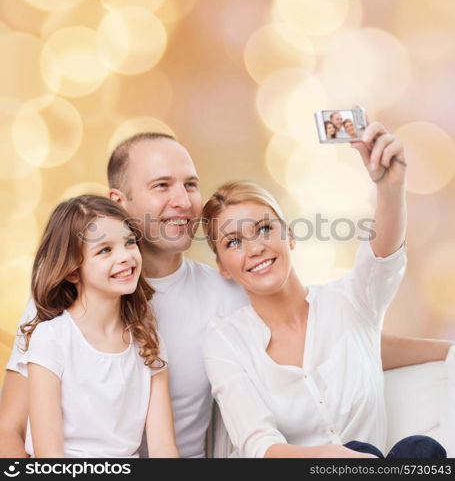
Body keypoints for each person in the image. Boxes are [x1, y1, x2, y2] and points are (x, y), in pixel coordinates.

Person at [1, 132, 453, 458]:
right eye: (162, 186)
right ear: (118, 202)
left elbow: (335, 339)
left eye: (191, 184)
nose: (182, 199)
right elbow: (8, 432)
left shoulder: (229, 293)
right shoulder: (64, 305)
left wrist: (445, 352)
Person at [201, 122, 449, 458]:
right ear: (223, 267)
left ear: (290, 235)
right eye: (234, 242)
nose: (256, 248)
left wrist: (391, 187)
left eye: (263, 229)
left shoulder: (349, 303)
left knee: (419, 451)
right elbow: (258, 444)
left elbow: (382, 258)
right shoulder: (225, 341)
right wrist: (332, 457)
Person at [17, 195, 178, 458]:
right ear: (72, 271)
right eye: (105, 250)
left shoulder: (149, 340)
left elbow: (163, 449)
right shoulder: (52, 338)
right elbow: (50, 458)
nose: (125, 256)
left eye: (129, 242)